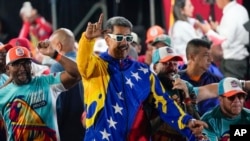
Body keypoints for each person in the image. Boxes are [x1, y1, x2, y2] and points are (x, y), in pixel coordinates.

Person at [76, 13, 207, 141]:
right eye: (120, 38)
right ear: (107, 39)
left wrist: (187, 121)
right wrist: (87, 40)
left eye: (128, 38)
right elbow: (82, 63)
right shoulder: (95, 67)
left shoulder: (142, 71)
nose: (125, 43)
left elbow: (164, 102)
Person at [0, 42, 81, 140]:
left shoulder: (46, 82)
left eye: (26, 63)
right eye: (16, 64)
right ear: (8, 69)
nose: (22, 68)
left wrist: (55, 55)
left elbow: (77, 74)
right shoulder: (2, 94)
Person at [151, 46, 200, 141]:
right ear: (155, 67)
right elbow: (146, 129)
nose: (173, 68)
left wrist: (186, 96)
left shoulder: (186, 87)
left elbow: (197, 123)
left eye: (175, 64)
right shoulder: (148, 88)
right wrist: (169, 109)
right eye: (167, 63)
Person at [49, 28, 85, 141]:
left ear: (58, 46)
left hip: (67, 132)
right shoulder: (87, 62)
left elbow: (57, 105)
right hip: (88, 130)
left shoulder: (58, 66)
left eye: (51, 46)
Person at [198, 0, 249, 79]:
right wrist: (217, 28)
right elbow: (237, 32)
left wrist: (208, 31)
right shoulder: (241, 9)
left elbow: (225, 42)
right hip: (241, 61)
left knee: (230, 90)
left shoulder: (231, 14)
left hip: (232, 64)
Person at [180, 38, 222, 116]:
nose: (211, 59)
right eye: (206, 55)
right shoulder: (177, 80)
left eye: (211, 55)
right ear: (192, 57)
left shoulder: (217, 80)